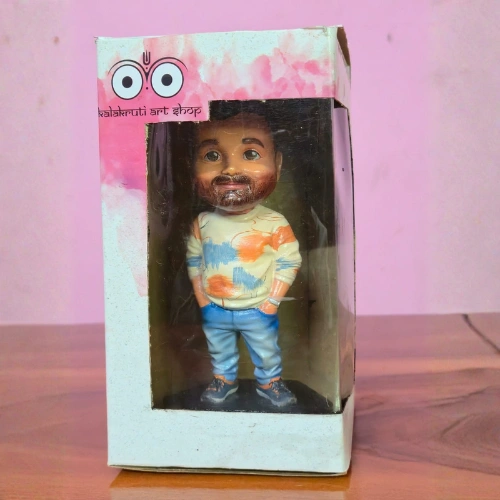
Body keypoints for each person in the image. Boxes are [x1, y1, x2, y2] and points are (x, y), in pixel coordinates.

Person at [186, 103, 302, 407]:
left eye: (250, 154)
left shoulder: (274, 223)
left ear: (277, 163)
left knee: (266, 351)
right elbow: (194, 261)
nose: (230, 169)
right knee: (219, 349)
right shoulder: (203, 223)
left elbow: (289, 261)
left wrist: (271, 302)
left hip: (257, 309)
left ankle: (269, 382)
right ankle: (223, 380)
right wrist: (202, 299)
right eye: (212, 156)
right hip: (215, 307)